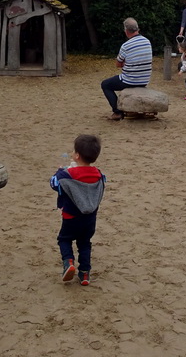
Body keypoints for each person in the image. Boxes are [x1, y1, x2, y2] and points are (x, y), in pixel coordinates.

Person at [50, 133, 105, 286]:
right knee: (85, 243)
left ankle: (68, 262)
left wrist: (59, 172)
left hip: (70, 216)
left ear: (77, 156)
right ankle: (85, 273)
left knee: (64, 239)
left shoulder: (67, 174)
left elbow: (55, 184)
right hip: (89, 218)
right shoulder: (99, 175)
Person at [100, 18, 152, 121]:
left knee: (105, 85)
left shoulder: (126, 45)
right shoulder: (147, 42)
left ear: (126, 31)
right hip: (144, 80)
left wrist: (127, 63)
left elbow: (118, 64)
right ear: (138, 29)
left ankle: (117, 112)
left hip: (129, 80)